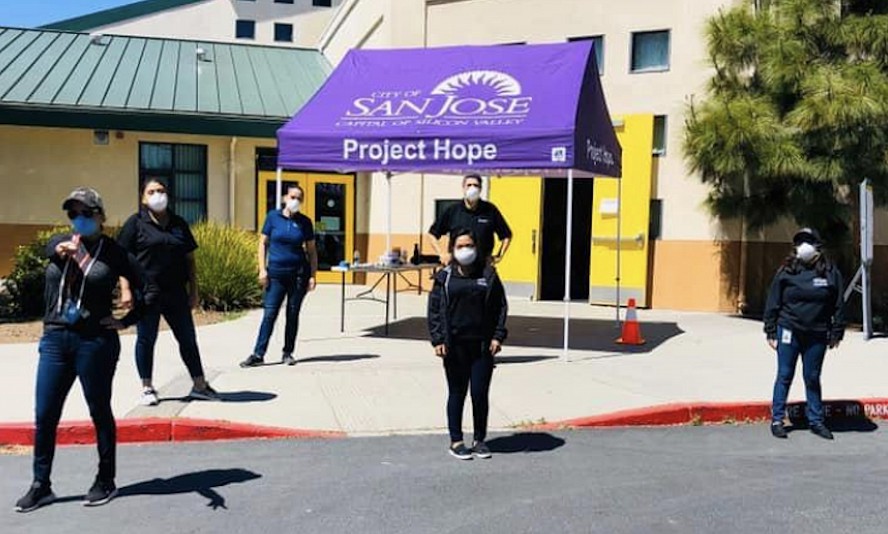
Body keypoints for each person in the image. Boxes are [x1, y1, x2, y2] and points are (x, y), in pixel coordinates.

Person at [15, 187, 149, 512]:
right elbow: (51, 249)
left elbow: (150, 288)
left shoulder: (114, 252)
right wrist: (61, 249)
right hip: (55, 340)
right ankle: (40, 484)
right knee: (45, 414)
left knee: (99, 411)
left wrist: (126, 319)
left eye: (85, 213)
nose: (79, 220)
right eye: (73, 214)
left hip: (95, 341)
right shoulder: (60, 242)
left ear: (100, 216)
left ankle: (105, 480)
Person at [118, 178, 218, 406]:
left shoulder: (179, 224)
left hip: (175, 292)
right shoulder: (135, 224)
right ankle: (147, 387)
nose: (157, 195)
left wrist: (194, 290)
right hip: (146, 293)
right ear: (143, 197)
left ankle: (200, 385)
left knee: (187, 339)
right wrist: (125, 289)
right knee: (146, 339)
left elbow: (189, 260)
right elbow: (122, 259)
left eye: (161, 190)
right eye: (151, 191)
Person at [427, 229, 508, 460]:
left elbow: (500, 306)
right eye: (460, 246)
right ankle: (456, 441)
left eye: (469, 245)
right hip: (454, 346)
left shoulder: (488, 274)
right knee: (457, 392)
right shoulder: (445, 277)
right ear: (453, 249)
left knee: (480, 394)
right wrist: (438, 339)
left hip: (482, 346)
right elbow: (434, 310)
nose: (465, 250)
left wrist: (497, 336)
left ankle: (480, 439)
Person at [764, 228, 844, 440]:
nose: (804, 246)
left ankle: (816, 421)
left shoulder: (829, 271)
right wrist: (770, 330)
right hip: (789, 330)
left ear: (818, 245)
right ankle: (777, 420)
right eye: (801, 242)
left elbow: (838, 304)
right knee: (784, 375)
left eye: (809, 241)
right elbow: (773, 301)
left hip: (817, 334)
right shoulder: (787, 270)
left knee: (812, 377)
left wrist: (837, 331)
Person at [240, 184, 317, 368]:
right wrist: (262, 269)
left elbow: (312, 251)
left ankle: (288, 352)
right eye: (292, 197)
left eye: (299, 198)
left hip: (298, 275)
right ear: (284, 198)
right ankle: (258, 354)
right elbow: (262, 244)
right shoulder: (273, 217)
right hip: (275, 275)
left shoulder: (305, 222)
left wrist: (313, 276)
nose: (295, 201)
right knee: (270, 314)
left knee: (292, 313)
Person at [428, 174, 512, 265]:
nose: (472, 188)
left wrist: (499, 256)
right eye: (469, 185)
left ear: (480, 189)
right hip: (457, 267)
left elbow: (506, 235)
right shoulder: (453, 210)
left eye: (476, 185)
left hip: (482, 267)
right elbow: (432, 234)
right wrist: (442, 254)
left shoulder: (490, 210)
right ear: (463, 188)